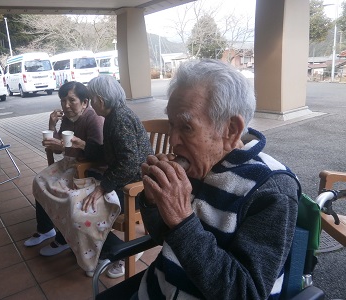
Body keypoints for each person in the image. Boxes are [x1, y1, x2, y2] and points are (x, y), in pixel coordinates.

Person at [139, 59, 300, 299]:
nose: (173, 140)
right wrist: (154, 203)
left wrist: (182, 220)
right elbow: (164, 238)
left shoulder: (271, 189)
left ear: (231, 130)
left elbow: (245, 293)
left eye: (186, 127)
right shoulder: (195, 166)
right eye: (172, 125)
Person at [77, 75, 153, 278]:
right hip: (124, 180)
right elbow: (111, 153)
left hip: (136, 188)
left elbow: (129, 163)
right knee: (80, 199)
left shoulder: (119, 120)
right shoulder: (113, 116)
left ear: (100, 100)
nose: (92, 104)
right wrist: (84, 145)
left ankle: (127, 250)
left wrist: (103, 187)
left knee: (84, 208)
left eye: (92, 99)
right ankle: (105, 249)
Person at [24, 81, 104, 257]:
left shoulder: (93, 118)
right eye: (62, 100)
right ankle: (46, 229)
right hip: (69, 162)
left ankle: (64, 238)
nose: (66, 105)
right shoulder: (68, 118)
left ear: (85, 102)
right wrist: (52, 125)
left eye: (72, 100)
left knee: (59, 190)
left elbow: (98, 152)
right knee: (40, 181)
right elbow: (60, 148)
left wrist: (77, 146)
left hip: (86, 166)